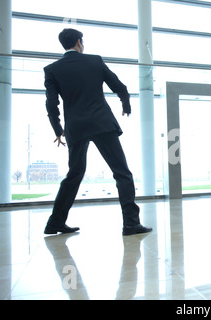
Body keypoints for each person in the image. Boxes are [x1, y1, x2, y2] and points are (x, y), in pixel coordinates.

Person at [43, 28, 152, 236]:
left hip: (75, 128)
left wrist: (58, 130)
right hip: (101, 124)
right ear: (78, 42)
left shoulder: (52, 69)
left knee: (74, 175)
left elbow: (51, 104)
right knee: (121, 172)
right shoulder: (94, 61)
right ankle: (130, 223)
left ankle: (55, 222)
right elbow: (118, 85)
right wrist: (125, 103)